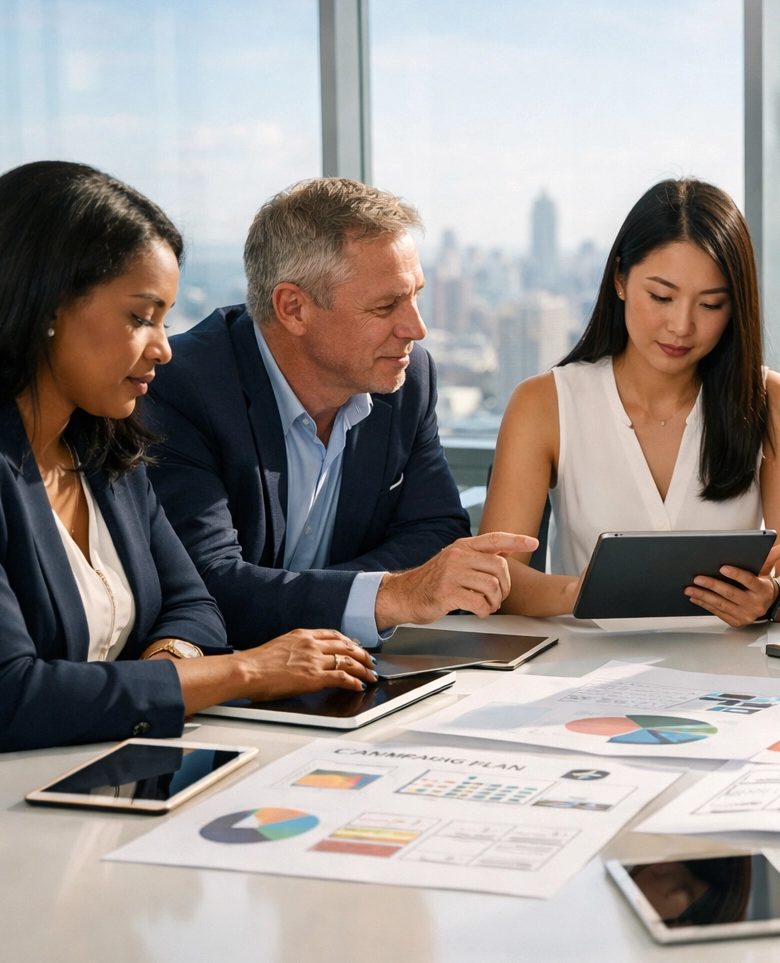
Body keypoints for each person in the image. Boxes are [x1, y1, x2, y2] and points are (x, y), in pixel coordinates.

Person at [0, 162, 375, 780]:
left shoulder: (102, 443)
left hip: (104, 787)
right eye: (141, 317)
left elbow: (194, 603)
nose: (163, 348)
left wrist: (171, 660)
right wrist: (243, 671)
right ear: (45, 307)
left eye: (165, 319)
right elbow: (0, 696)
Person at [142, 178, 536, 650]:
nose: (417, 328)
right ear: (293, 308)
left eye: (416, 295)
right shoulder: (179, 386)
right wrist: (388, 595)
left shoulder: (407, 380)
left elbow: (435, 533)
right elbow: (207, 586)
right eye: (386, 305)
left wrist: (306, 596)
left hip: (346, 668)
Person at [480, 179, 780, 625]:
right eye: (661, 297)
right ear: (620, 279)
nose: (681, 326)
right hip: (583, 673)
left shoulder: (773, 402)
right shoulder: (544, 403)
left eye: (711, 305)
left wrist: (772, 595)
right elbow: (494, 574)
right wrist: (577, 591)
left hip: (732, 675)